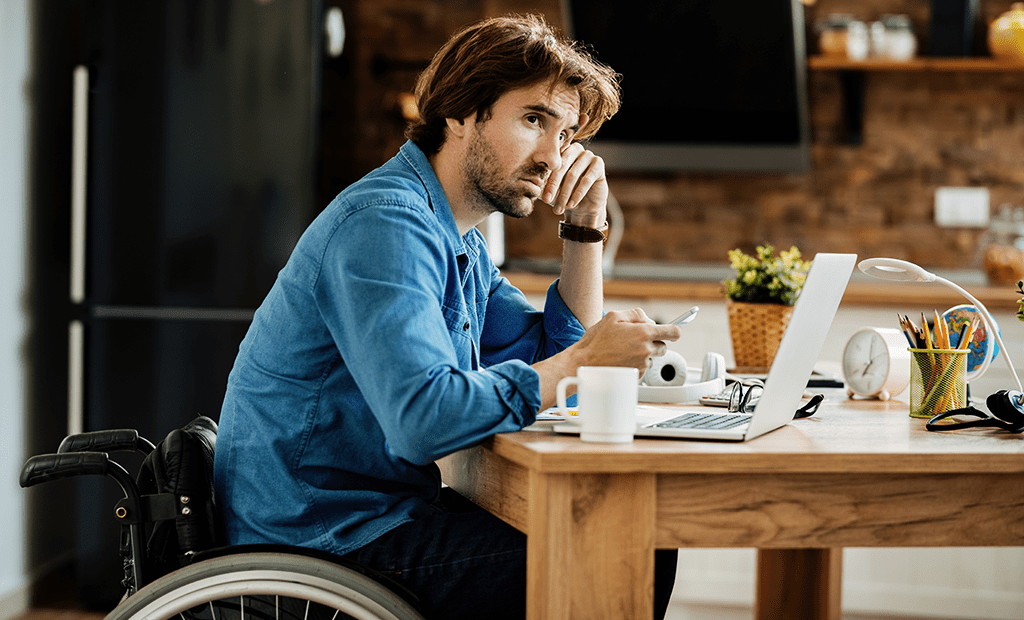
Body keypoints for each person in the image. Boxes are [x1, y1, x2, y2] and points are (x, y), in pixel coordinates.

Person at [213, 13, 681, 619]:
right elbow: (422, 420)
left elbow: (554, 361)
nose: (551, 156)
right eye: (534, 120)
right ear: (461, 113)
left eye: (564, 136)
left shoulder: (455, 236)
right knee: (629, 546)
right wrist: (585, 361)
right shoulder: (386, 223)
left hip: (369, 526)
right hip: (318, 552)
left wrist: (584, 229)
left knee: (631, 531)